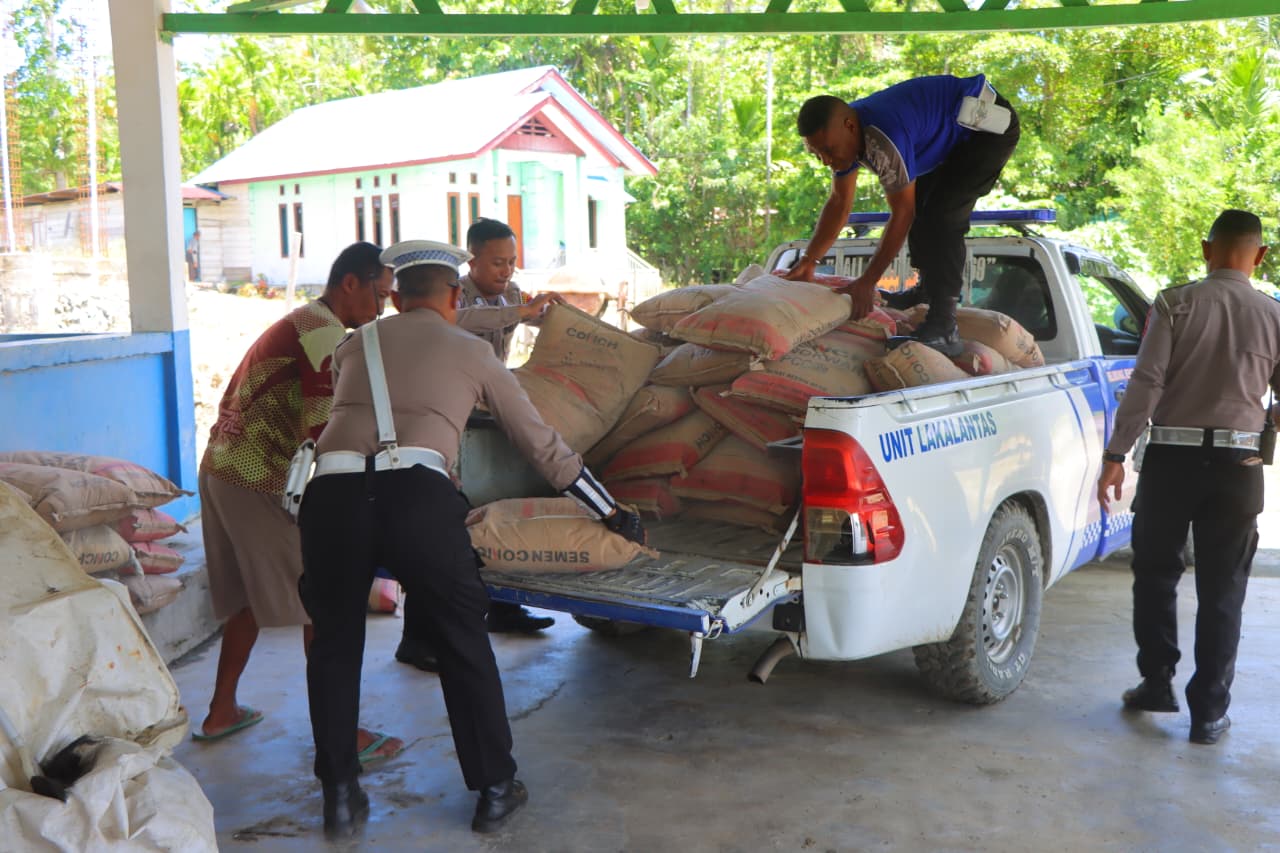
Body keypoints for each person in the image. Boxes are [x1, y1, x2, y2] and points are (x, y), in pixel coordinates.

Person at [297, 239, 645, 838]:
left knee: (333, 646)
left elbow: (348, 416)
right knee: (461, 637)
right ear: (455, 297)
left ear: (397, 299)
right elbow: (538, 443)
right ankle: (493, 789)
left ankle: (340, 796)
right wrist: (608, 508)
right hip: (416, 499)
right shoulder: (472, 352)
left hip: (330, 498)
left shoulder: (355, 344)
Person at [196, 242, 403, 765]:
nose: (381, 307)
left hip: (223, 466)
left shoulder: (308, 319)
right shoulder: (324, 332)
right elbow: (325, 431)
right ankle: (339, 736)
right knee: (325, 600)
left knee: (248, 599)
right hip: (257, 477)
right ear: (350, 284)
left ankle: (222, 710)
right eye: (378, 295)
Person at [1097, 209, 1279, 746]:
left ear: (1207, 250)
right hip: (1238, 469)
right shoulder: (1274, 314)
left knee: (1155, 575)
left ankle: (1156, 684)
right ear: (1260, 255)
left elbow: (1147, 382)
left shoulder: (1174, 303)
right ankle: (1208, 714)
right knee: (1224, 590)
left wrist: (1116, 452)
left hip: (1170, 466)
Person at [393, 218, 562, 676]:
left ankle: (503, 610)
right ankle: (417, 636)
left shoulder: (512, 295)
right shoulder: (455, 295)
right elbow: (461, 322)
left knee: (495, 516)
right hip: (444, 421)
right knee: (439, 534)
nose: (506, 270)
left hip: (484, 417)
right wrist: (521, 314)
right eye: (497, 262)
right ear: (472, 260)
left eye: (511, 261)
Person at [784, 75, 1020, 356]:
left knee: (942, 215)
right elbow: (839, 202)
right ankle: (925, 292)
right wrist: (810, 261)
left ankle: (944, 327)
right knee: (923, 206)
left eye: (828, 150)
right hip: (951, 136)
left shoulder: (882, 136)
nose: (825, 160)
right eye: (816, 153)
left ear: (849, 126)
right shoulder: (847, 140)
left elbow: (902, 214)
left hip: (988, 127)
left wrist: (868, 282)